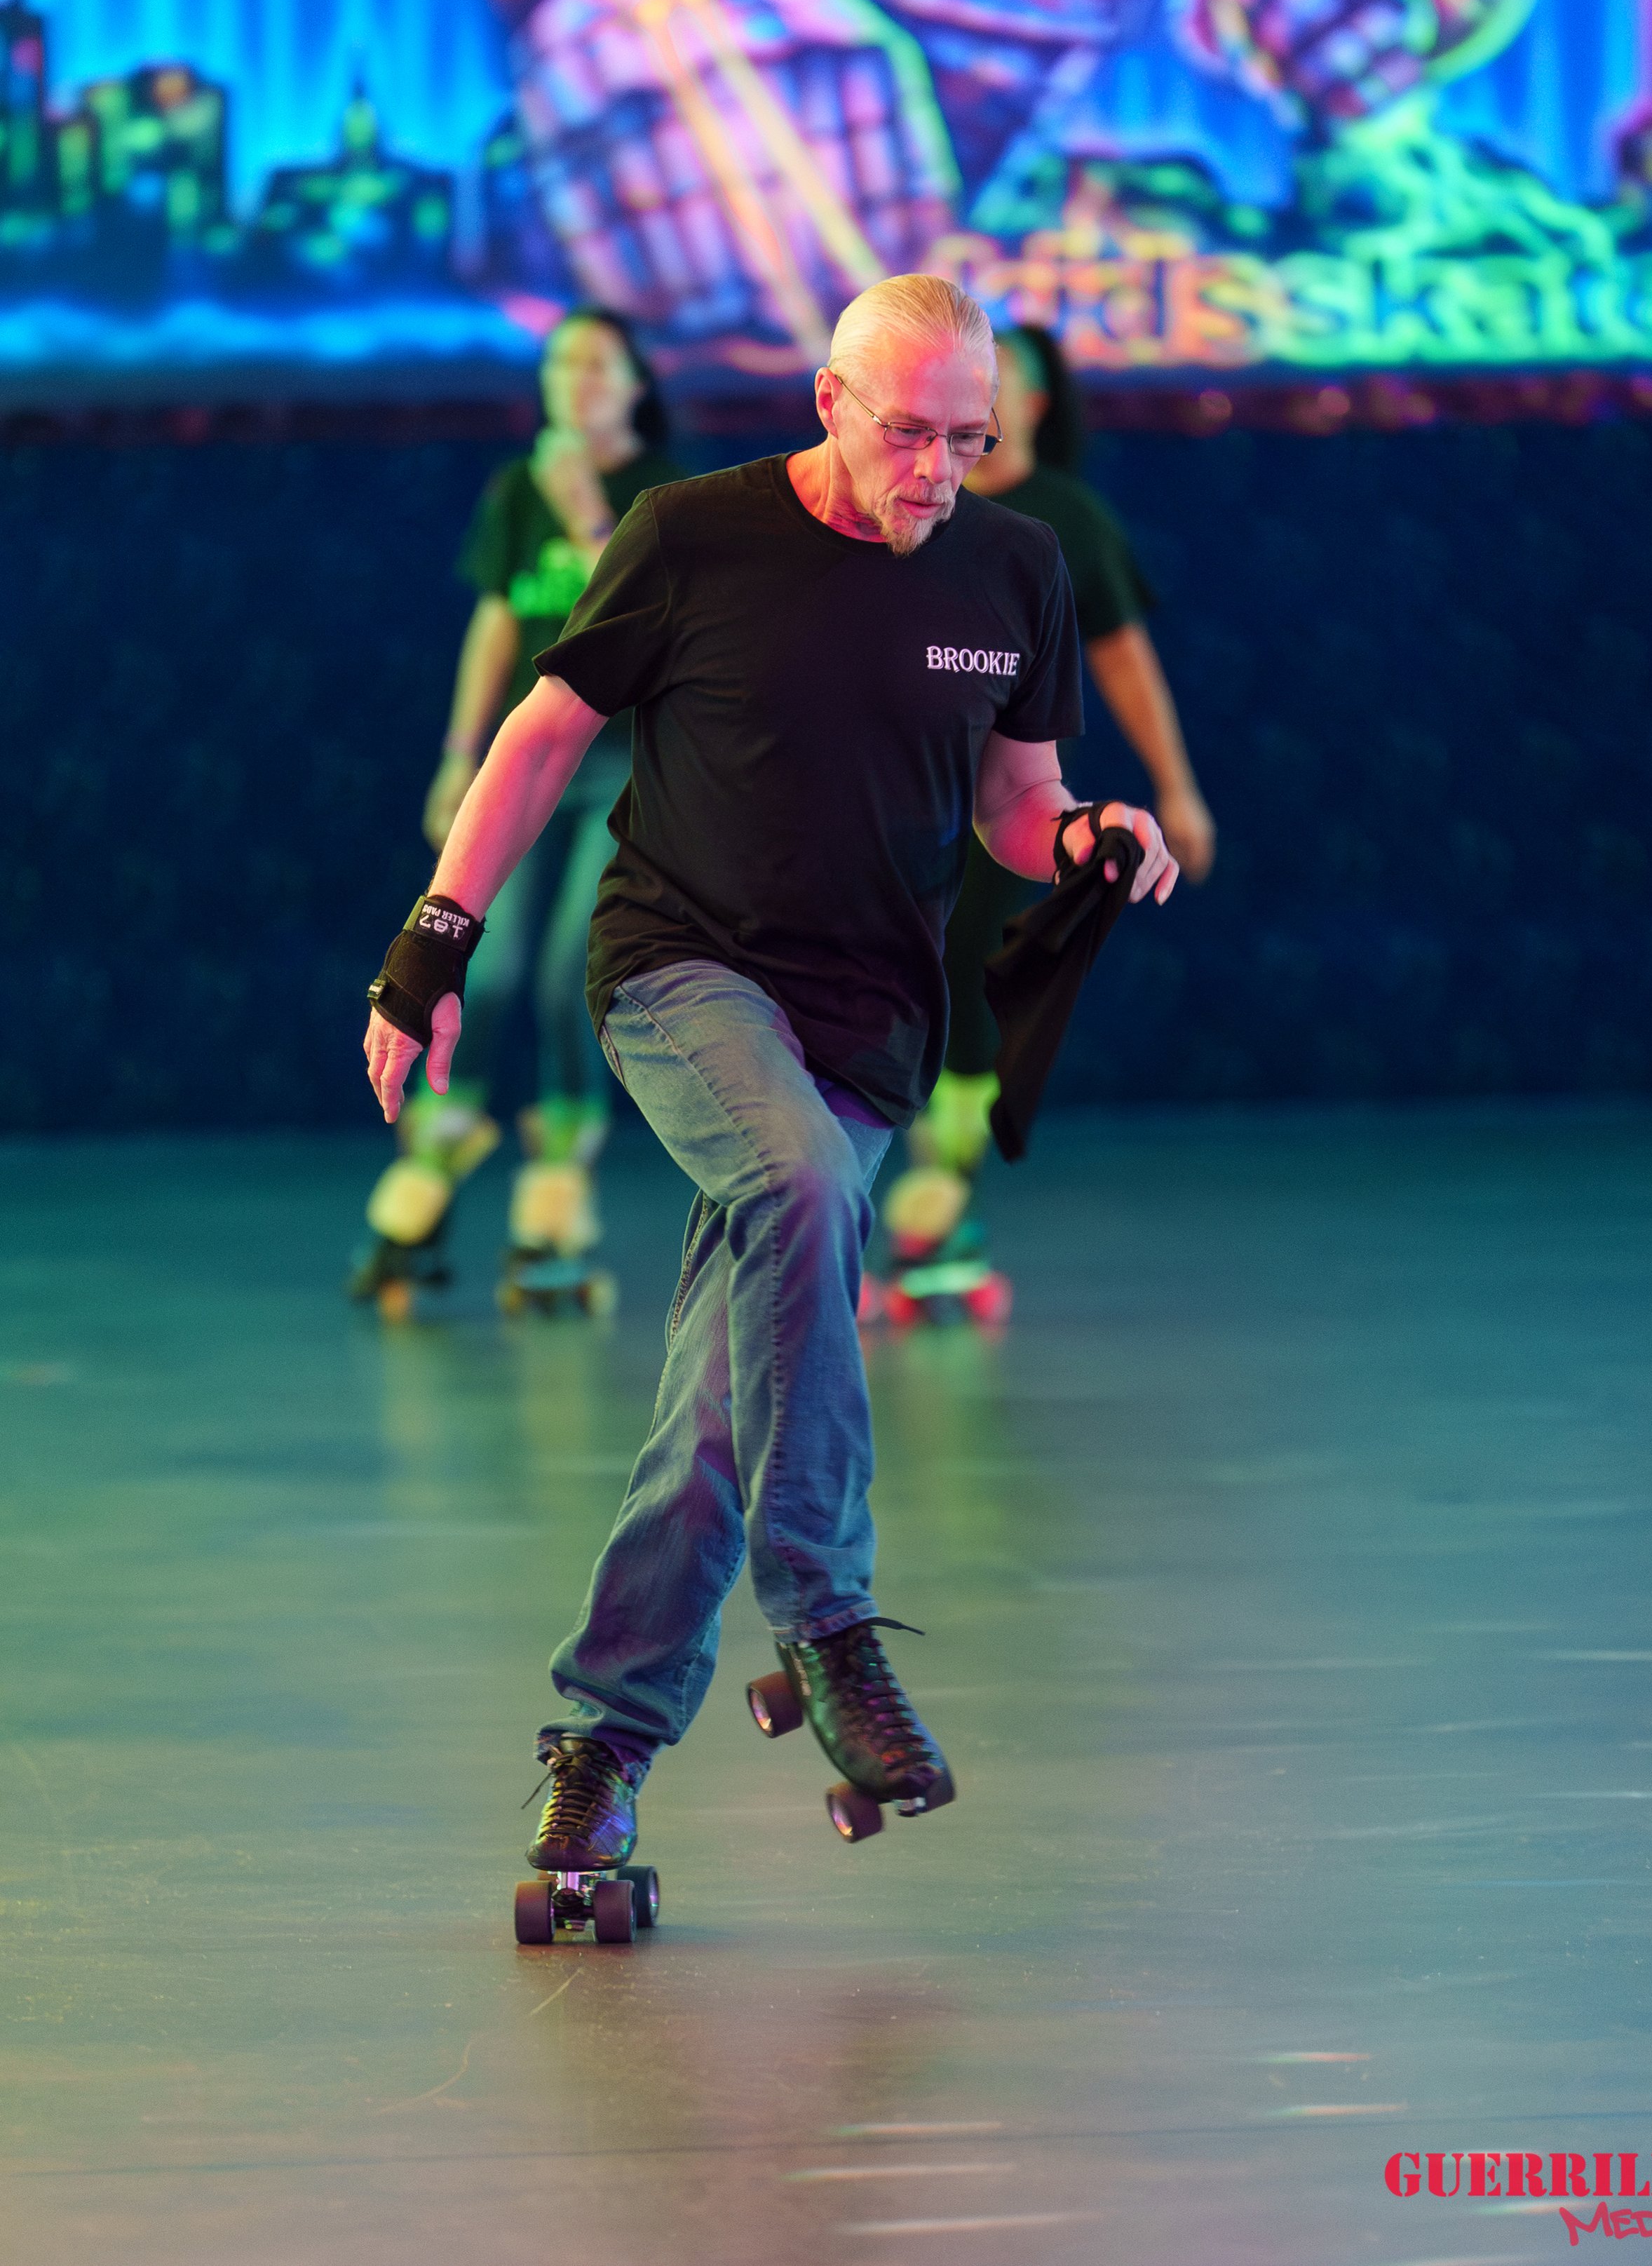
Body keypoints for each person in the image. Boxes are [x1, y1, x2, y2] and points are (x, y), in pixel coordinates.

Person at [362, 275, 1178, 1873]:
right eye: (906, 432)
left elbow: (1021, 799)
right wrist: (431, 946)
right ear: (826, 401)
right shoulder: (688, 538)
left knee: (725, 1412)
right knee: (797, 1184)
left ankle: (598, 1745)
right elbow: (534, 737)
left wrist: (1083, 834)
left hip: (867, 1027)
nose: (937, 469)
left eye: (968, 436)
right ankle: (830, 1618)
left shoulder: (1013, 567)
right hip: (682, 973)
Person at [349, 310, 686, 1314]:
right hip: (529, 763)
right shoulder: (515, 492)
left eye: (595, 362)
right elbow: (498, 621)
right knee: (480, 970)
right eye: (558, 363)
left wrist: (590, 517)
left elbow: (651, 622)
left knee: (562, 979)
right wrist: (459, 756)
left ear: (636, 382)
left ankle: (555, 1198)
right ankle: (433, 1171)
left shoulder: (669, 504)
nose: (573, 380)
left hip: (627, 766)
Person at [876, 323, 1216, 1290]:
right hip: (891, 794)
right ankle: (866, 1203)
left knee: (971, 978)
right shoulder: (904, 505)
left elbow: (1121, 655)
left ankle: (943, 1195)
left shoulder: (1062, 519)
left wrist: (1176, 785)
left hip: (1004, 801)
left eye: (994, 384)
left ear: (1023, 405)